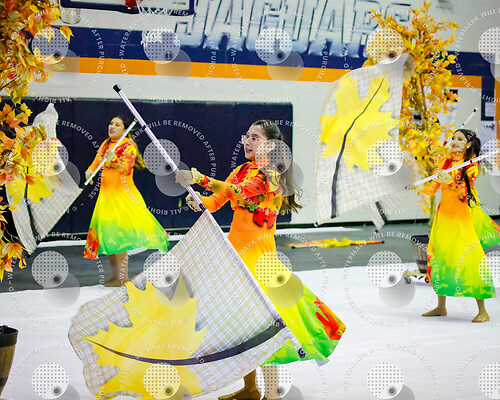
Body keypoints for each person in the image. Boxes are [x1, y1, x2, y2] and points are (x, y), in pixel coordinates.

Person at [176, 120, 345, 400]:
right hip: (235, 256)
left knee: (264, 326)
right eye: (247, 136)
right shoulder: (241, 170)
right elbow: (218, 199)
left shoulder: (272, 173)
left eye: (255, 137)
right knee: (242, 324)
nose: (247, 141)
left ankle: (273, 394)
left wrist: (200, 178)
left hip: (260, 259)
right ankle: (250, 389)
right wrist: (198, 201)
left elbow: (239, 192)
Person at [420, 129, 500, 322]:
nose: (454, 141)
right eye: (453, 138)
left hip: (462, 216)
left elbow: (465, 194)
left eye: (460, 139)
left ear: (469, 144)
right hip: (444, 216)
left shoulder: (471, 165)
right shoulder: (446, 162)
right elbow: (433, 188)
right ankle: (441, 307)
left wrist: (450, 180)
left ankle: (483, 310)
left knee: (471, 258)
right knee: (441, 256)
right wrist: (421, 187)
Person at [84, 115, 169, 287]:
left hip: (122, 197)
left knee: (119, 237)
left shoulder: (128, 145)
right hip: (106, 197)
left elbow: (126, 169)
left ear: (124, 129)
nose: (112, 126)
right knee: (108, 236)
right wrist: (90, 171)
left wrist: (113, 159)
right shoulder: (106, 144)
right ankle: (116, 276)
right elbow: (96, 162)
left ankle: (123, 277)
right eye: (111, 123)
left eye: (117, 124)